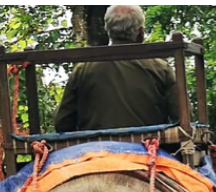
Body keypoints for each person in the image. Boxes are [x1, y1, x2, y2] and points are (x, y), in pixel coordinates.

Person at [53, 5, 182, 133]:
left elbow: (63, 122)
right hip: (149, 145)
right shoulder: (160, 68)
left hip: (96, 146)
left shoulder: (83, 69)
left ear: (107, 30)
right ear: (141, 32)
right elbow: (181, 117)